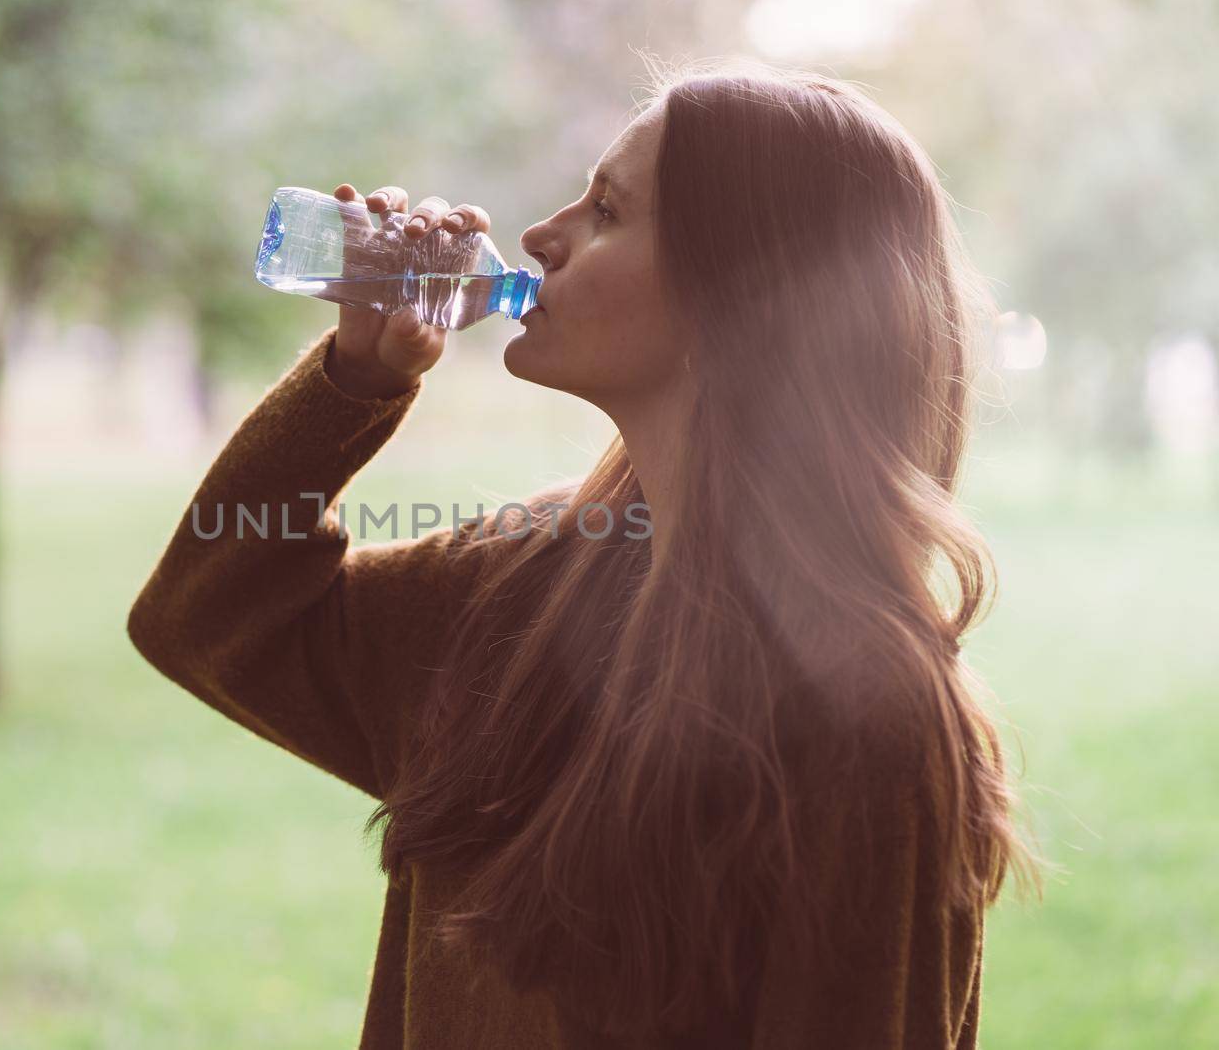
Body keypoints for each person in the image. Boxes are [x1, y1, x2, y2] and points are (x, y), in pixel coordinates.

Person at [127, 56, 1036, 1049]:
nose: (535, 236)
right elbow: (202, 615)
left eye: (605, 208)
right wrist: (354, 378)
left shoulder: (869, 716)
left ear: (743, 293)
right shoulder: (519, 580)